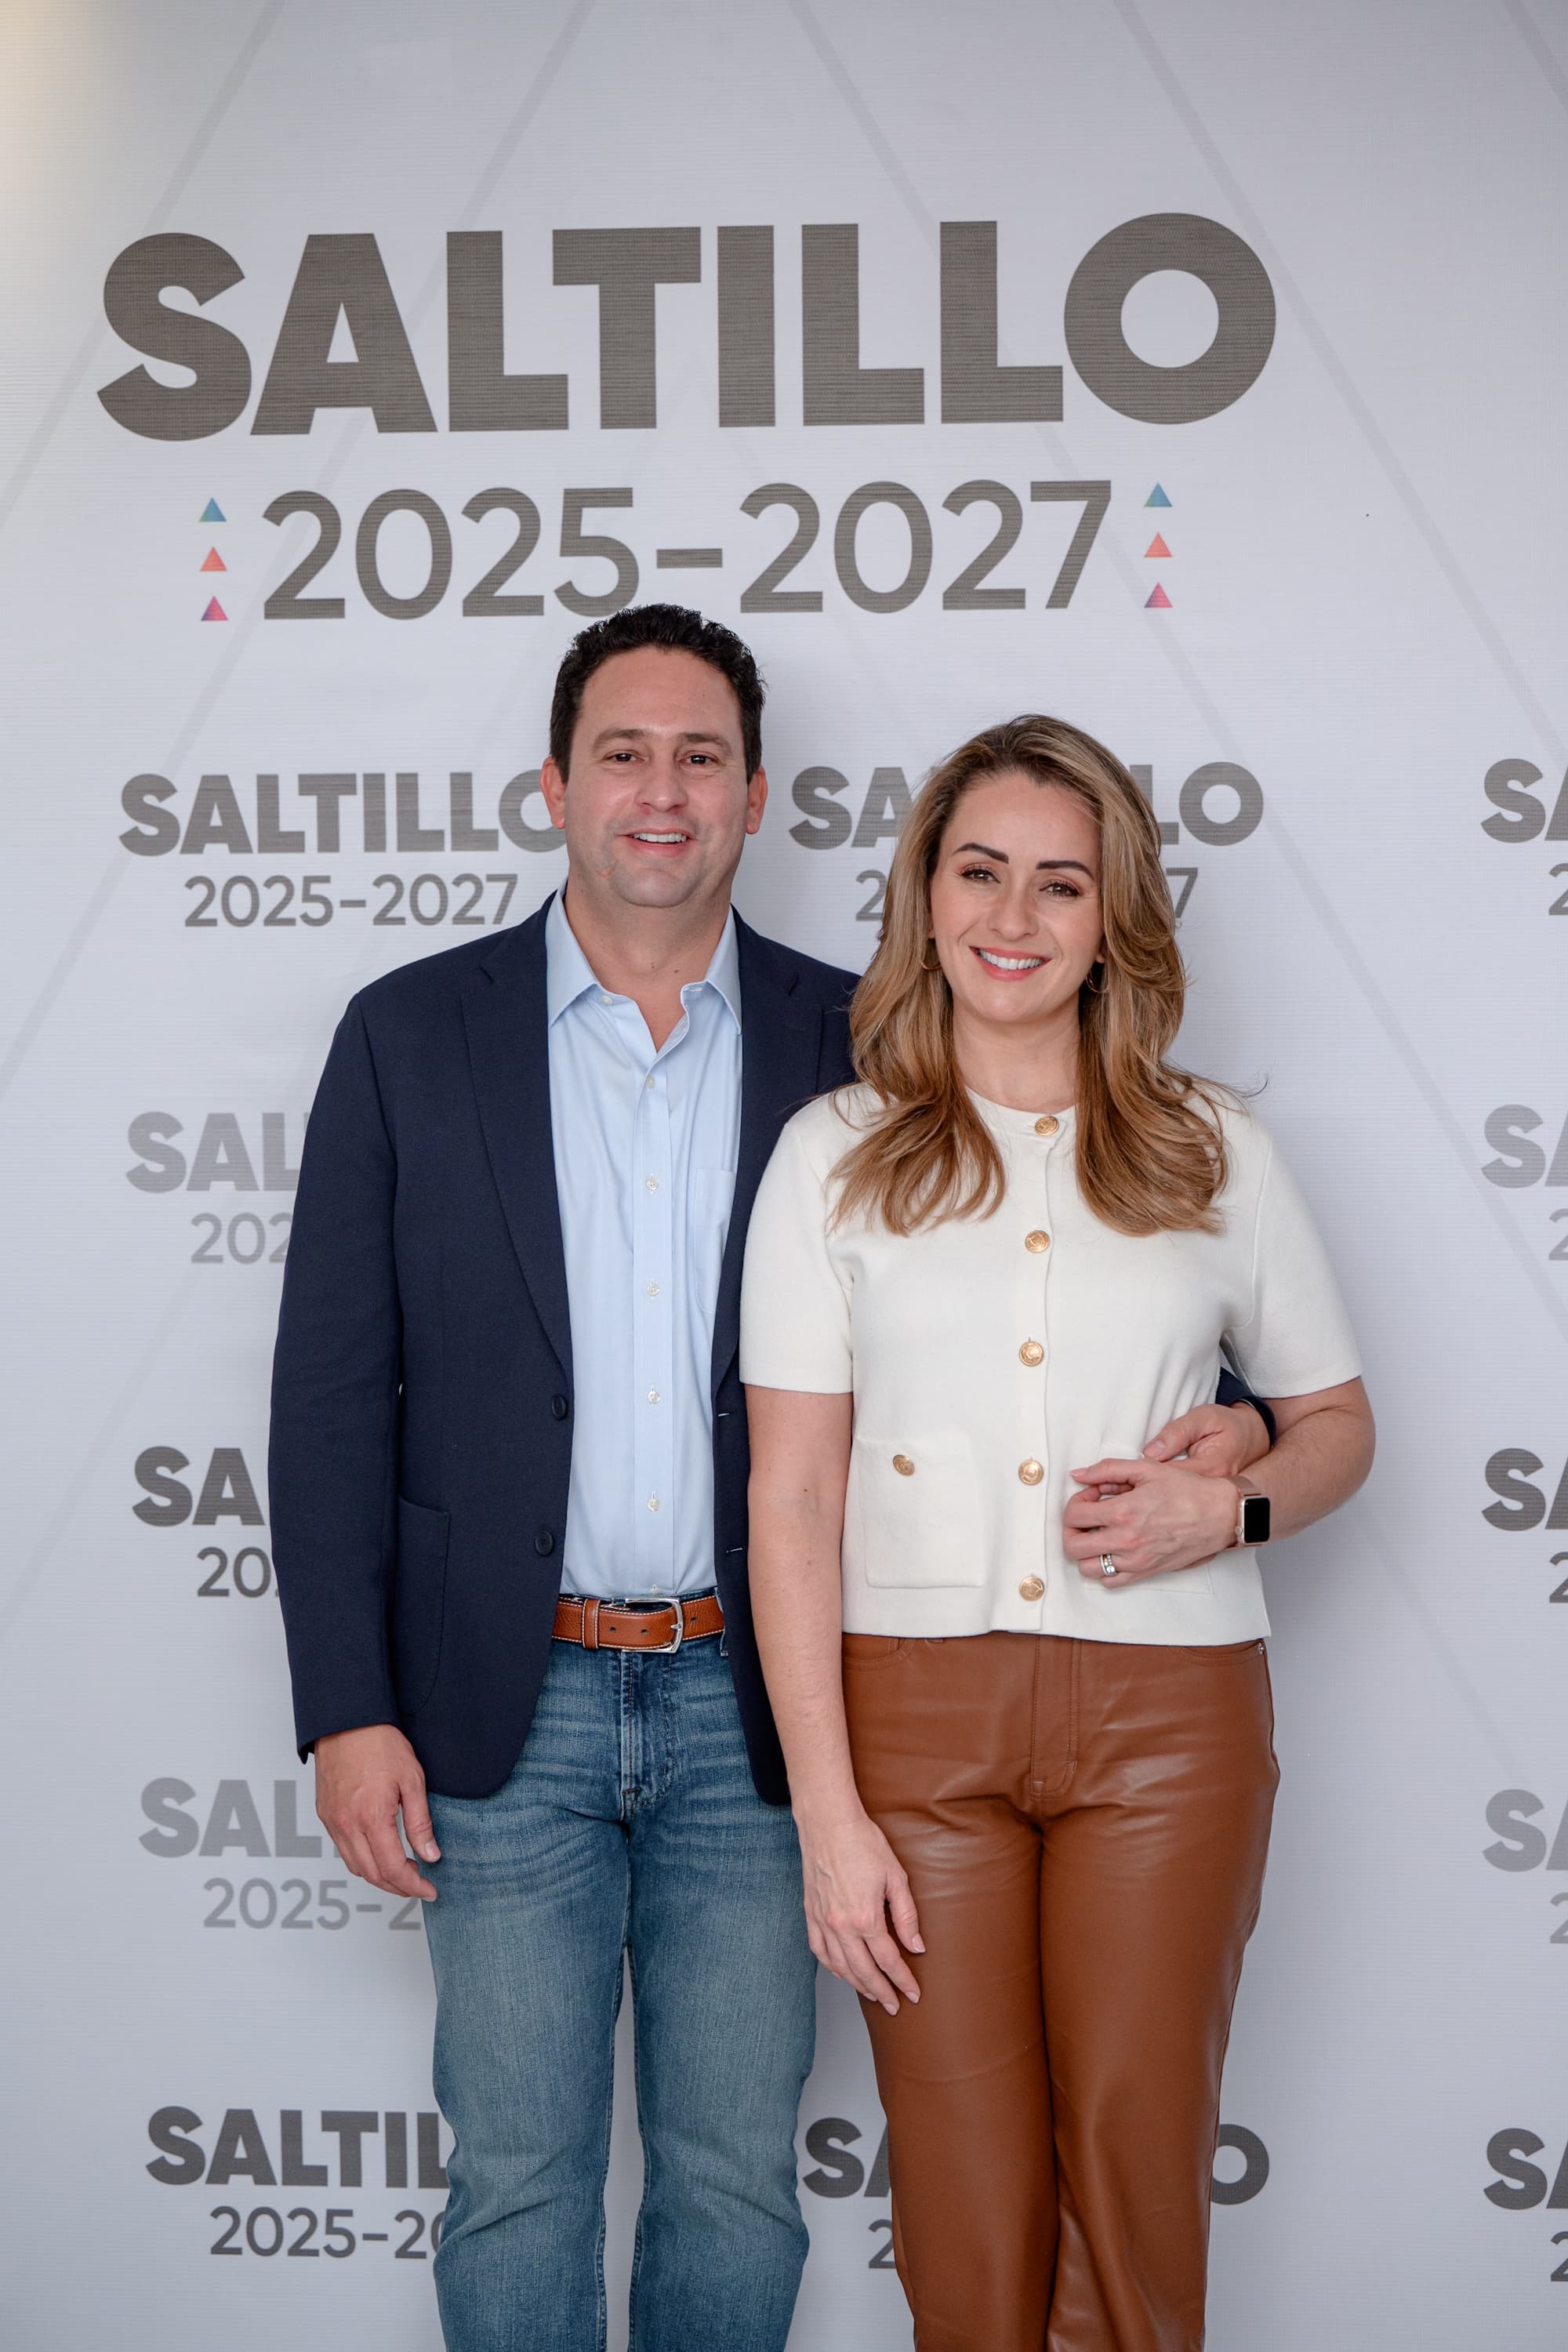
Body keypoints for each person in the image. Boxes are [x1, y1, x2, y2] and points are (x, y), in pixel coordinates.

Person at [268, 623, 1272, 2352]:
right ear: (554, 784)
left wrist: (1239, 1430)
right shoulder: (407, 1035)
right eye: (623, 752)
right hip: (497, 1706)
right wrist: (346, 1709)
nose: (661, 791)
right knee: (513, 2177)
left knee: (737, 2177)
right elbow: (333, 1399)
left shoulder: (862, 1039)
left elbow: (1066, 1278)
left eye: (701, 757)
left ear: (755, 795)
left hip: (766, 1715)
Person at [740, 713, 1374, 2352]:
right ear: (924, 895)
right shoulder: (828, 1158)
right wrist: (828, 1815)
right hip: (913, 1732)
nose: (1011, 918)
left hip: (1172, 1727)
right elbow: (791, 1499)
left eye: (1060, 884)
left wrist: (1231, 1498)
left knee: (1134, 2176)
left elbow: (1337, 1426)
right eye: (979, 873)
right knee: (964, 2203)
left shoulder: (1213, 1148)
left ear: (1113, 921)